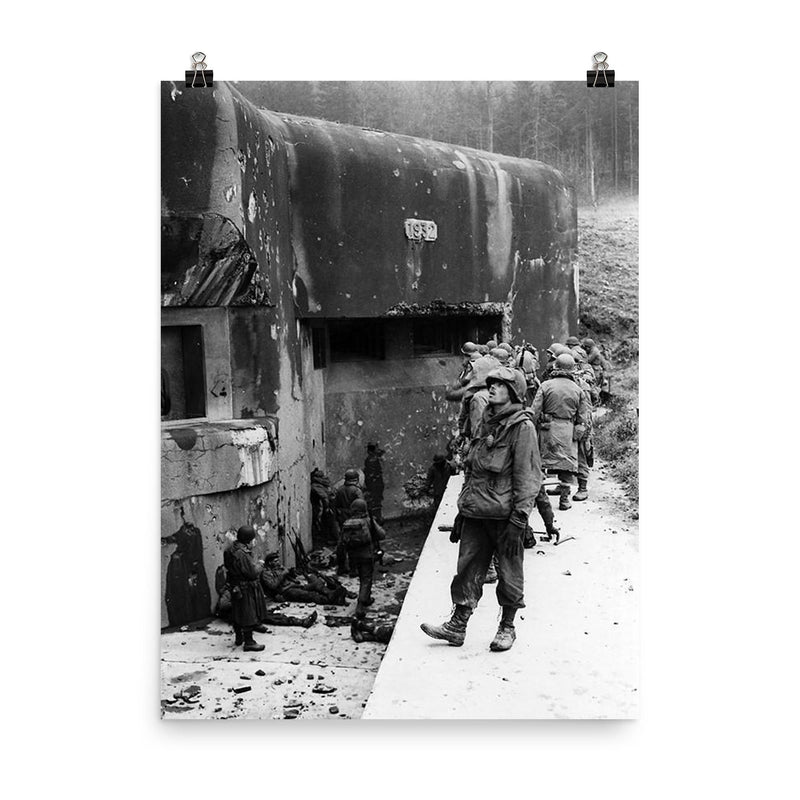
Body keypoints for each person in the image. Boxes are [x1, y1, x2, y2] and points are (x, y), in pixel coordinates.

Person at [421, 367, 542, 653]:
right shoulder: (485, 421)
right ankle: (457, 625)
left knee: (510, 573)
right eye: (492, 383)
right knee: (467, 570)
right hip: (477, 511)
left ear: (513, 392)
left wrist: (520, 519)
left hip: (505, 516)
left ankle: (507, 627)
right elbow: (474, 470)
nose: (493, 388)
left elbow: (528, 476)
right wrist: (462, 512)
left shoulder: (522, 428)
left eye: (500, 384)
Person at [530, 353, 590, 511]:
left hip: (547, 430)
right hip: (567, 431)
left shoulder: (546, 385)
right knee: (566, 465)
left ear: (555, 366)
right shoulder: (578, 389)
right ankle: (564, 500)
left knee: (541, 464)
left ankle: (538, 498)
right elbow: (582, 417)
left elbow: (535, 410)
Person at [223, 526, 267, 651]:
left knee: (237, 612)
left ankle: (239, 637)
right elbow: (252, 573)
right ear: (248, 539)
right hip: (245, 587)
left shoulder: (230, 549)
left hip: (235, 586)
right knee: (249, 613)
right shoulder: (242, 554)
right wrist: (260, 564)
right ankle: (249, 642)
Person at [341, 499, 385, 619]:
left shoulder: (347, 522)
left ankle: (367, 598)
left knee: (362, 577)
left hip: (353, 556)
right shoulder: (367, 520)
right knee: (366, 579)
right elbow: (381, 534)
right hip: (367, 554)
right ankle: (361, 605)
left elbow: (342, 542)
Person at [334, 468, 364, 575]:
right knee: (354, 544)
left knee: (342, 543)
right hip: (354, 519)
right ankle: (353, 569)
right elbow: (362, 506)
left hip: (342, 518)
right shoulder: (357, 491)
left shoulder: (340, 490)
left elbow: (335, 505)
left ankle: (341, 567)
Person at [363, 443, 385, 523]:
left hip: (374, 484)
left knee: (374, 502)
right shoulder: (374, 459)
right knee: (377, 502)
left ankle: (376, 519)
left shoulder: (370, 459)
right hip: (377, 484)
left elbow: (370, 474)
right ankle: (377, 519)